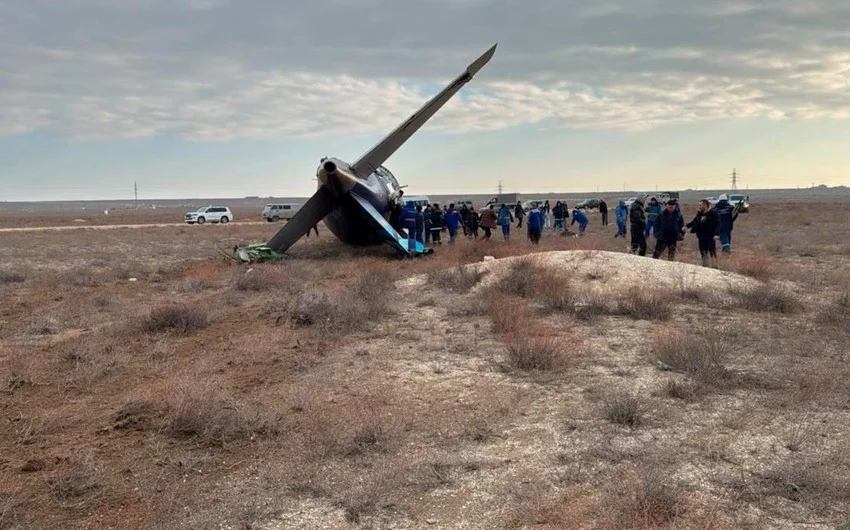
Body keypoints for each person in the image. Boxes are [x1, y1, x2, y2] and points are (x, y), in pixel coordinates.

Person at [686, 199, 719, 267]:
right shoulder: (699, 213)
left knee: (712, 252)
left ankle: (715, 267)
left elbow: (718, 224)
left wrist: (716, 234)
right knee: (703, 252)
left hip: (710, 236)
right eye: (699, 205)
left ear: (705, 205)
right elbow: (694, 221)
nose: (699, 206)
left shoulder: (713, 213)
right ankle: (705, 266)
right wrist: (686, 226)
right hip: (701, 236)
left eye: (701, 205)